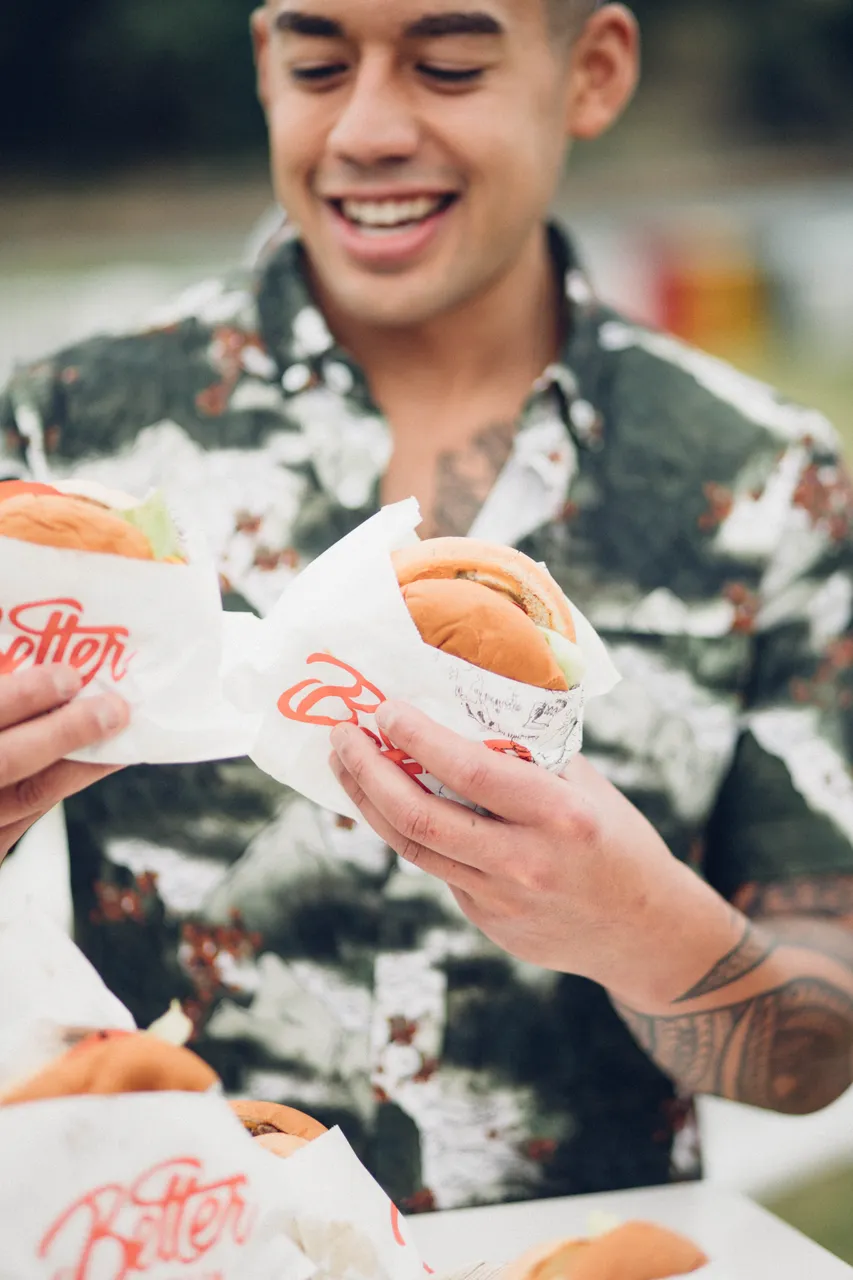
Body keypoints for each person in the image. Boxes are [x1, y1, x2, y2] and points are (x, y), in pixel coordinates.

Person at [2, 0, 853, 1213]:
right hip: (142, 1231)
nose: (368, 129)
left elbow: (817, 1050)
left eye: (448, 65)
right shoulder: (62, 438)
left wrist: (639, 927)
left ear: (594, 72)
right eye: (316, 65)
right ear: (262, 68)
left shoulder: (772, 483)